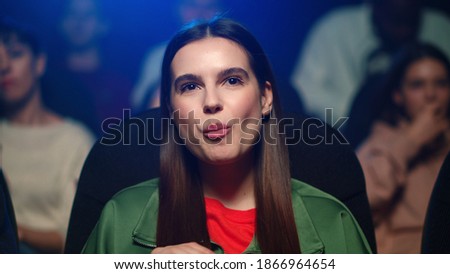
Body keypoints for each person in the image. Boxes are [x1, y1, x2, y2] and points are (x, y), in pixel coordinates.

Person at [82, 18, 371, 254]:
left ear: (265, 97)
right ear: (170, 109)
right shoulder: (118, 218)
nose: (211, 101)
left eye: (232, 80)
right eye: (190, 86)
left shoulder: (333, 222)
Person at [0, 17, 94, 253]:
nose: (3, 66)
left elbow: (78, 236)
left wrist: (15, 232)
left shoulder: (74, 140)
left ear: (39, 63)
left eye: (15, 54)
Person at [356, 43, 450, 253]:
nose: (431, 94)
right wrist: (411, 141)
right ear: (398, 95)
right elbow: (362, 201)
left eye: (441, 83)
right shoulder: (378, 145)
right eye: (417, 85)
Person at [290, 0, 450, 121]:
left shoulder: (442, 29)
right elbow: (305, 93)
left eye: (441, 83)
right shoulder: (333, 31)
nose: (430, 94)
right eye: (395, 19)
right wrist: (362, 117)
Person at [43, 0, 132, 136]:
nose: (79, 22)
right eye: (72, 14)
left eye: (88, 15)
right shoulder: (46, 81)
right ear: (61, 23)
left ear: (104, 24)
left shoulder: (119, 85)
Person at [130, 0, 223, 112]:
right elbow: (141, 102)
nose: (200, 13)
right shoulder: (158, 55)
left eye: (209, 7)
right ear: (178, 9)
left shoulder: (232, 50)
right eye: (192, 6)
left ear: (220, 10)